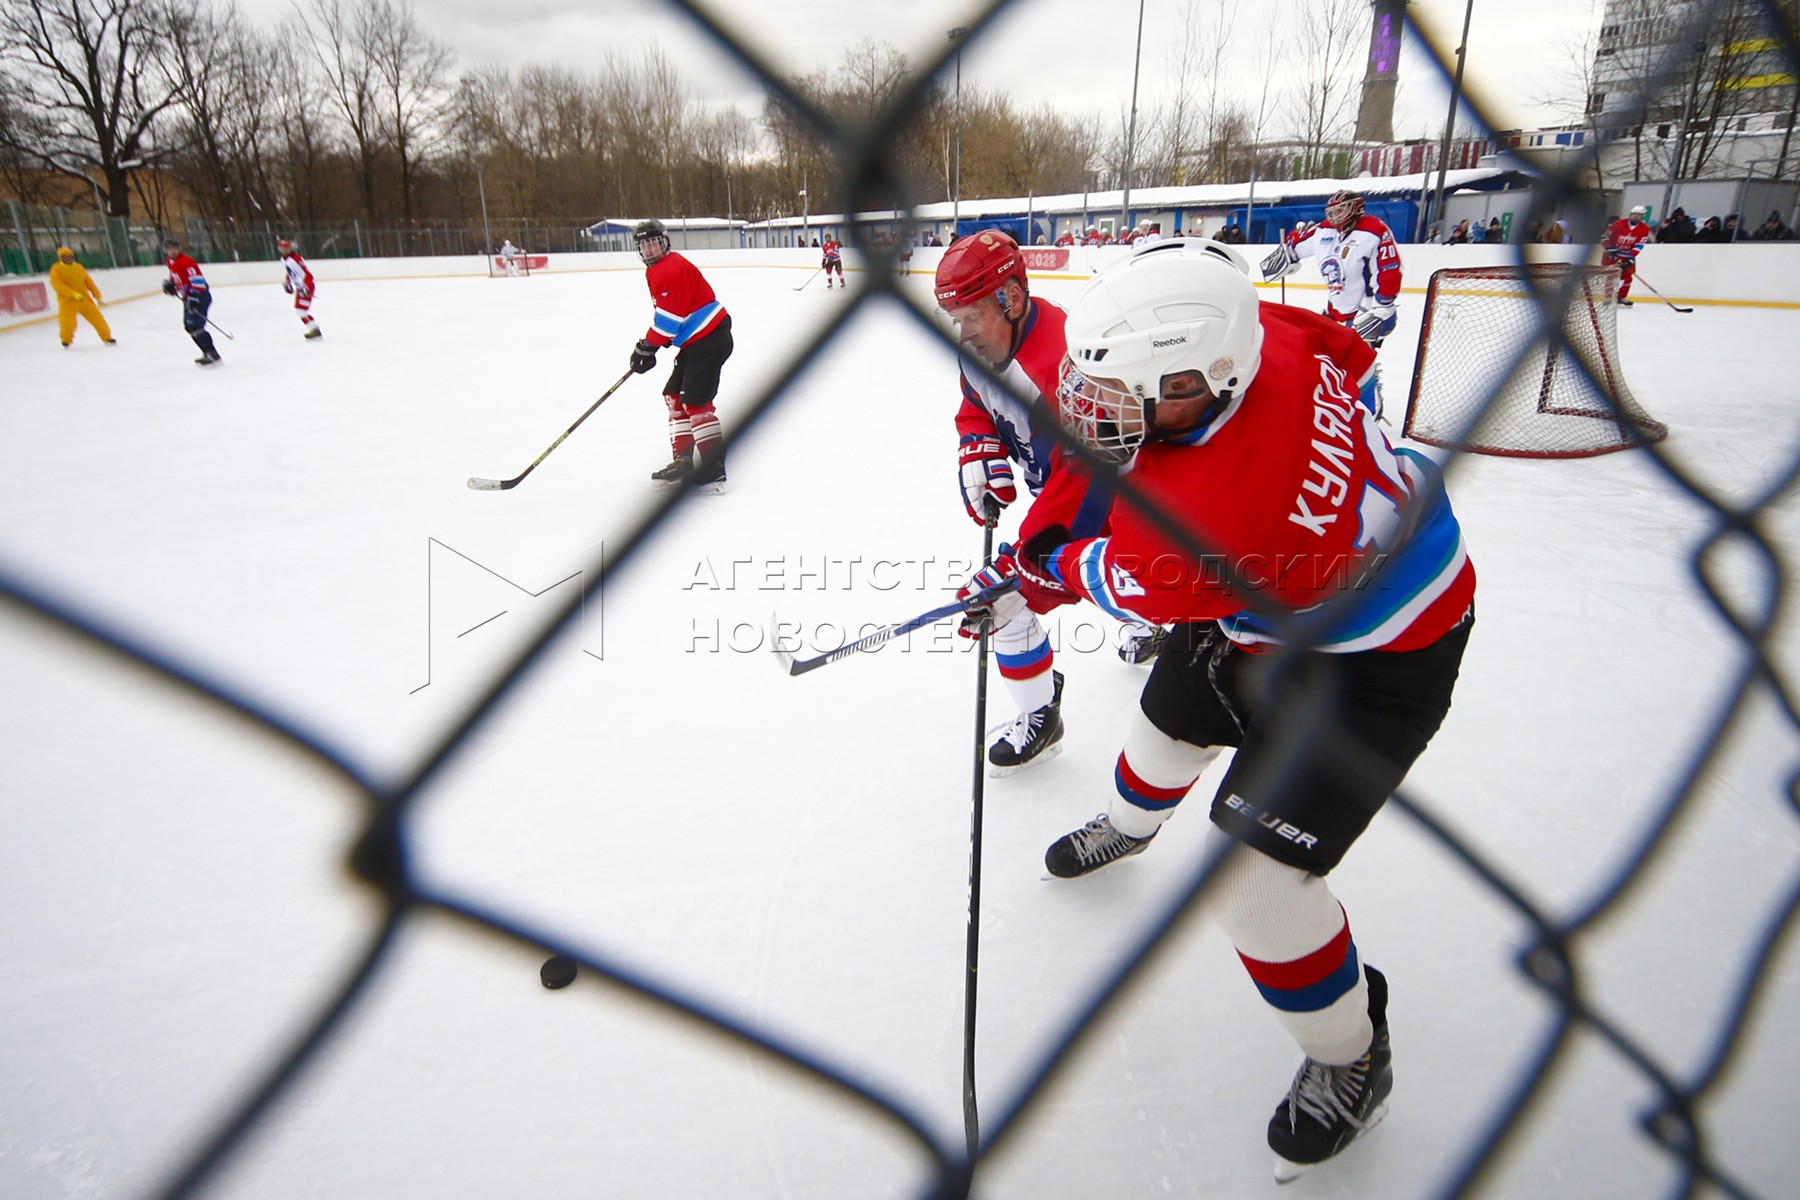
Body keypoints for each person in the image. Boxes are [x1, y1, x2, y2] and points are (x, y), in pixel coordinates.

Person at [982, 238, 1474, 1179]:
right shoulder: (1264, 341)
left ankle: (1350, 1055)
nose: (1098, 408)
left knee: (1250, 886)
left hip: (1385, 658)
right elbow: (1347, 360)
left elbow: (1116, 574)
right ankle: (1129, 827)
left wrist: (1029, 573)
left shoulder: (1213, 522)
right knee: (1167, 723)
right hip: (1285, 591)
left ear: (1202, 375)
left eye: (1129, 391)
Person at [629, 218, 732, 493]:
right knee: (674, 395)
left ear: (665, 243)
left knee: (696, 401)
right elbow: (674, 315)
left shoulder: (670, 268)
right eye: (644, 245)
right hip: (696, 340)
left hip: (708, 337)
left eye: (654, 243)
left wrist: (647, 346)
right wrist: (652, 345)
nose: (650, 249)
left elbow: (668, 320)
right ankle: (683, 460)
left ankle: (713, 468)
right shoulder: (657, 270)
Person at [1261, 191, 1402, 351]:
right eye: (1332, 212)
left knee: (1358, 362)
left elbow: (1388, 269)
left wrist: (1383, 305)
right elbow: (1298, 243)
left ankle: (1371, 375)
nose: (1335, 216)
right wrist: (1288, 251)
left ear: (1356, 208)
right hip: (1334, 310)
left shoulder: (1374, 231)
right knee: (1321, 356)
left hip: (1363, 310)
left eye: (1340, 210)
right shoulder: (1324, 230)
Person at [161, 237, 221, 366]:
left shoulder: (187, 261)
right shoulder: (170, 262)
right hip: (188, 298)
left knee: (195, 326)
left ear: (179, 248)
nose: (172, 251)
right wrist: (171, 285)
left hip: (199, 297)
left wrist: (194, 296)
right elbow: (176, 277)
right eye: (169, 249)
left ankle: (212, 353)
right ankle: (207, 352)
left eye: (174, 248)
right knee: (189, 327)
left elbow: (197, 281)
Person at [48, 246, 114, 348]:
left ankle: (107, 338)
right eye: (65, 257)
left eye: (70, 256)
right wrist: (73, 294)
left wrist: (97, 296)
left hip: (84, 300)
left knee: (98, 320)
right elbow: (57, 285)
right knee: (67, 324)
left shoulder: (79, 267)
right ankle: (66, 340)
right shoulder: (56, 269)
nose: (68, 258)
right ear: (61, 258)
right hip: (67, 302)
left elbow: (89, 282)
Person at [1603, 205, 1653, 306]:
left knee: (1627, 278)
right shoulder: (1618, 224)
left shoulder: (1644, 228)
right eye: (1634, 214)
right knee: (1610, 276)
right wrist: (1610, 249)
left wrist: (1630, 258)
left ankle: (1621, 297)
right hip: (1611, 255)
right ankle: (1608, 297)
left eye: (1639, 215)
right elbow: (1604, 237)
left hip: (1627, 256)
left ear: (1642, 216)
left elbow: (1639, 244)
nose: (1636, 216)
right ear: (1630, 214)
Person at [278, 239, 322, 339]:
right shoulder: (284, 260)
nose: (284, 250)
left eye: (286, 247)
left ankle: (315, 329)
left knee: (301, 310)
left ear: (290, 248)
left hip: (305, 287)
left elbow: (307, 273)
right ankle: (314, 329)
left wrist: (308, 288)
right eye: (282, 248)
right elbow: (290, 272)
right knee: (300, 310)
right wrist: (287, 281)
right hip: (300, 288)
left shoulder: (296, 259)